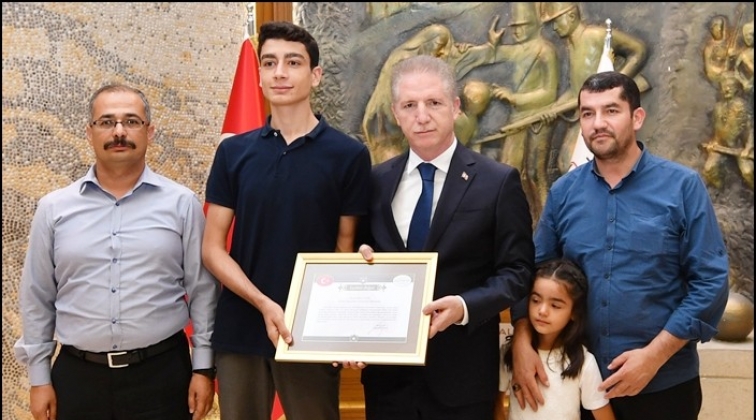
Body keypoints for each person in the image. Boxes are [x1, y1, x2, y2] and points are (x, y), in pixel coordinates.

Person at [509, 71, 730, 420]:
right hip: (580, 383)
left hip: (663, 384)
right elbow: (531, 272)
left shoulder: (682, 187)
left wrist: (654, 356)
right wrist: (521, 341)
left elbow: (710, 281)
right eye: (588, 113)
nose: (598, 123)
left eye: (611, 110)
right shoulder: (564, 192)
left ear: (637, 117)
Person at [13, 83, 220, 420]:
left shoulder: (181, 204)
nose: (119, 132)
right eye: (107, 122)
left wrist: (203, 367)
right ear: (89, 132)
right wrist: (39, 378)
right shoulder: (54, 209)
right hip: (78, 380)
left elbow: (203, 290)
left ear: (149, 132)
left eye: (131, 121)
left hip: (163, 376)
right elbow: (37, 296)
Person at [202, 21, 372, 420]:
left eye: (293, 62)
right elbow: (212, 249)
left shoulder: (348, 155)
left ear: (315, 75)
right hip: (241, 328)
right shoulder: (233, 153)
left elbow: (344, 249)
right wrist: (263, 303)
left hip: (311, 331)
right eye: (269, 63)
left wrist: (339, 326)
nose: (279, 72)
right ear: (259, 75)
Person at [354, 55, 535, 420]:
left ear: (455, 107)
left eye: (434, 103)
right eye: (410, 105)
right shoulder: (375, 182)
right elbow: (362, 255)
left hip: (462, 381)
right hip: (387, 382)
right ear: (396, 113)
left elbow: (517, 272)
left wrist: (465, 307)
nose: (422, 116)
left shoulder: (497, 182)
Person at [361, 18, 505, 164]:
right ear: (425, 44)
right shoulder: (401, 62)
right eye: (439, 47)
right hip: (388, 128)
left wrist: (490, 46)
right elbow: (387, 107)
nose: (443, 52)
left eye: (446, 46)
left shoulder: (441, 56)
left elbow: (464, 57)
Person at [538, 2, 648, 174]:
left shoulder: (595, 35)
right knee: (567, 163)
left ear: (571, 16)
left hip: (607, 114)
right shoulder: (572, 45)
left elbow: (638, 50)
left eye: (556, 21)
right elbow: (577, 89)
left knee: (574, 163)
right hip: (587, 112)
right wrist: (555, 108)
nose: (554, 28)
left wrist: (618, 83)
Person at [499, 259, 615, 420]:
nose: (542, 311)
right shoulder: (510, 353)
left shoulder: (583, 361)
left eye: (555, 305)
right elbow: (497, 406)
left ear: (574, 312)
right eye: (535, 300)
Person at [490, 1, 560, 220]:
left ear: (534, 24)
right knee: (507, 172)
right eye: (514, 26)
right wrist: (492, 46)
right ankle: (523, 222)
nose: (516, 31)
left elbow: (549, 93)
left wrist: (515, 98)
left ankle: (547, 225)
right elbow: (495, 56)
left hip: (539, 119)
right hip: (517, 119)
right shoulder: (518, 50)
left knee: (535, 174)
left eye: (522, 25)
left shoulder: (546, 51)